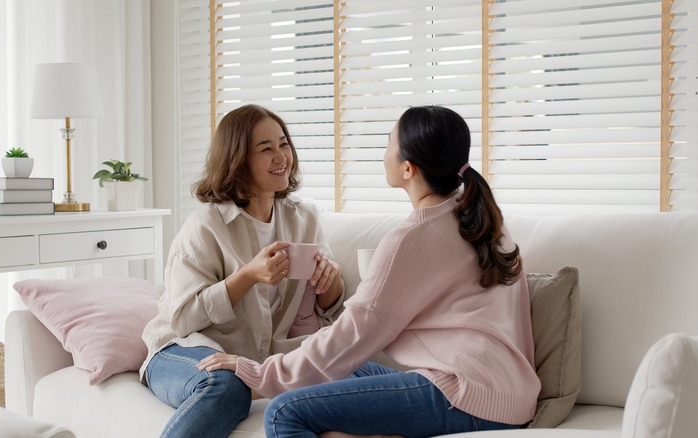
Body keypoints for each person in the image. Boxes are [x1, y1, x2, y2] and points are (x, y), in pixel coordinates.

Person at [200, 105, 541, 437]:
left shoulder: (413, 238)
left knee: (284, 412)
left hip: (465, 396)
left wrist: (260, 373)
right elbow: (346, 352)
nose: (383, 154)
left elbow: (353, 333)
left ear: (408, 168)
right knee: (344, 371)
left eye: (388, 143)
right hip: (513, 395)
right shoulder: (484, 218)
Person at [140, 104, 345, 438]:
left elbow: (330, 308)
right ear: (237, 161)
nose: (281, 156)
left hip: (250, 361)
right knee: (227, 386)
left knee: (346, 370)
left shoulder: (304, 218)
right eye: (266, 149)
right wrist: (247, 276)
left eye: (284, 144)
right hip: (182, 349)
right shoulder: (207, 224)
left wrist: (330, 278)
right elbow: (182, 319)